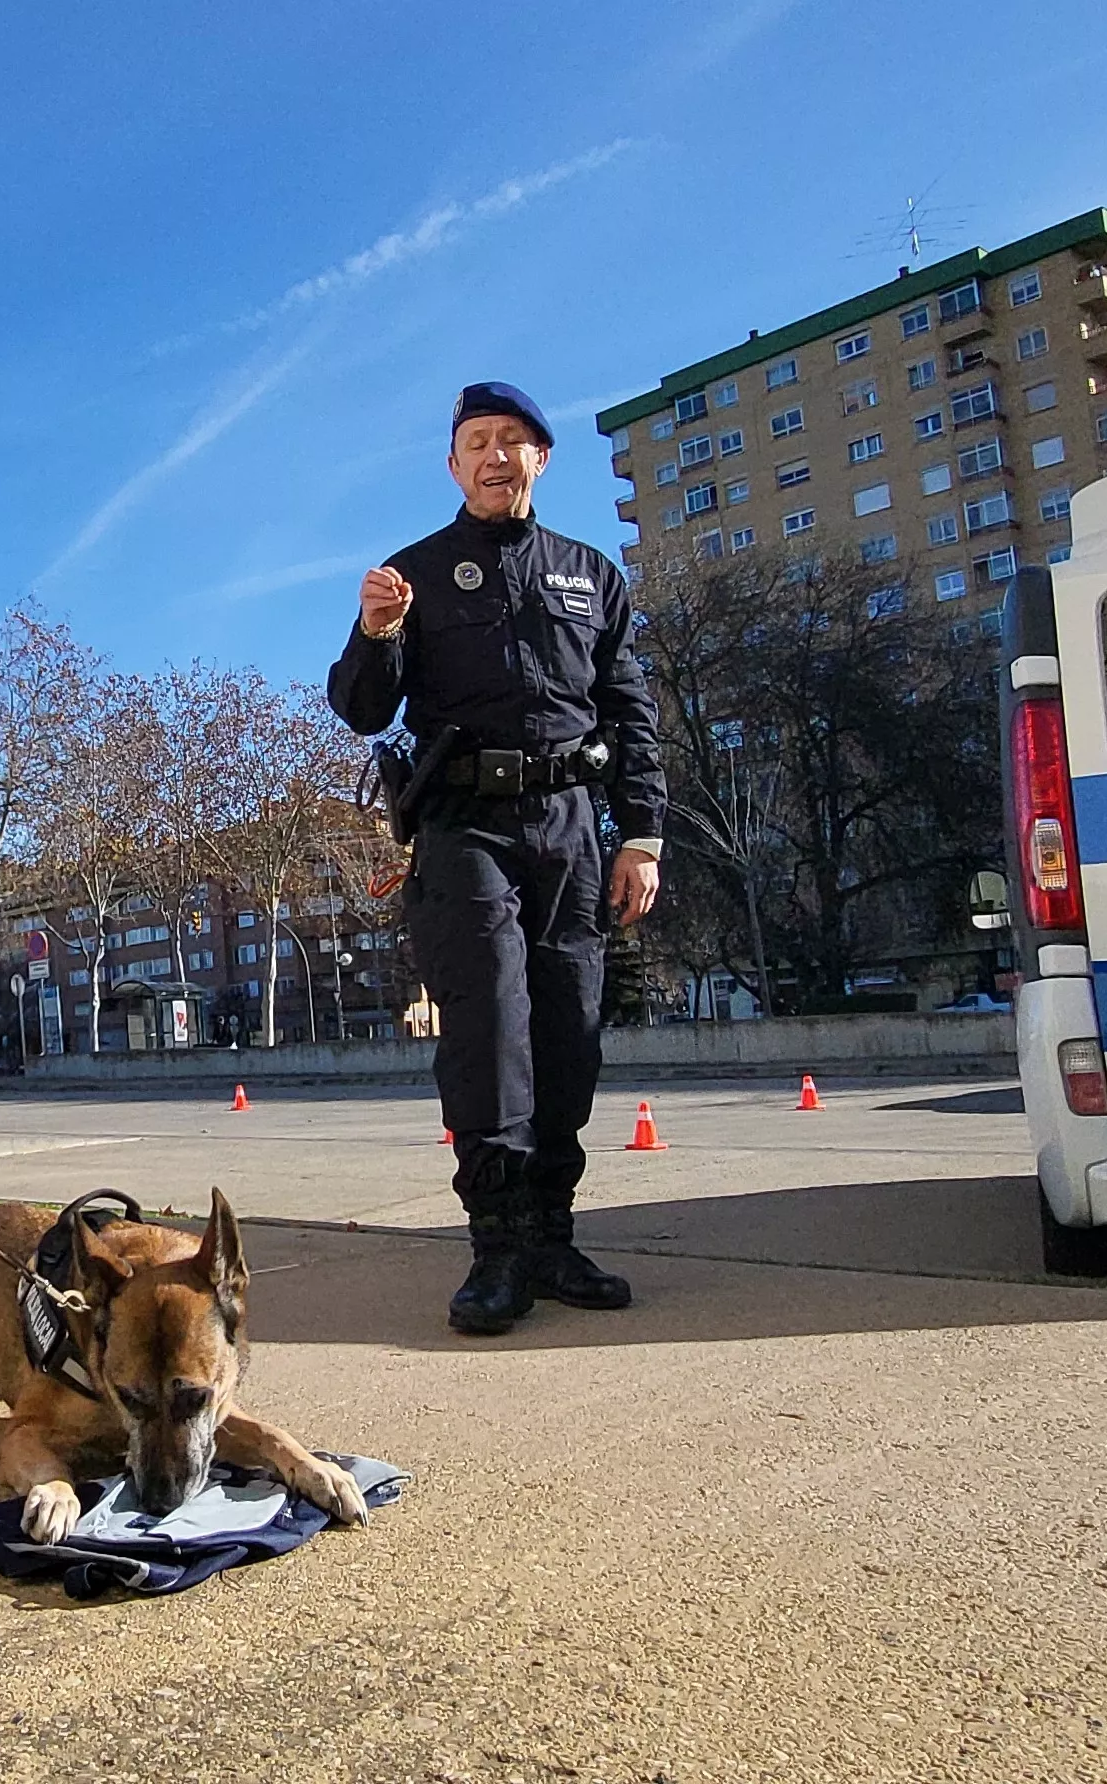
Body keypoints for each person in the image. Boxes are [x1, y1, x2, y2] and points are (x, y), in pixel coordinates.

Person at [328, 381, 667, 1336]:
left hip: (570, 826)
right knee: (488, 1030)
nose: (494, 455)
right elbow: (361, 708)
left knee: (568, 1025)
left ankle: (552, 1237)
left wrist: (641, 836)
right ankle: (497, 1248)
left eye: (511, 440)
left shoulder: (590, 575)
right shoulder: (413, 574)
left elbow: (631, 714)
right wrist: (376, 633)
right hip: (464, 827)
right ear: (453, 465)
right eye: (476, 441)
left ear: (539, 459)